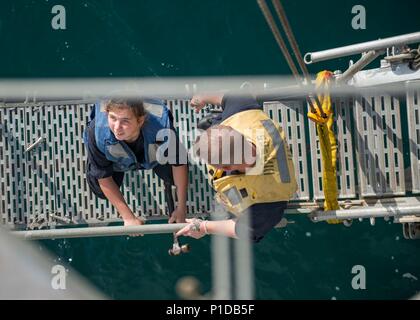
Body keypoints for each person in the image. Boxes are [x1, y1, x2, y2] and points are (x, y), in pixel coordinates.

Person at [176, 91, 297, 243]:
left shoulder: (264, 203)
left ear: (225, 168)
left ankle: (212, 122)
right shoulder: (245, 118)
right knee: (206, 126)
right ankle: (213, 122)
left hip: (253, 198)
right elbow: (231, 96)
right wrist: (203, 97)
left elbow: (247, 232)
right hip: (252, 153)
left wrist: (204, 227)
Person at [83, 98, 188, 229]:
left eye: (125, 121)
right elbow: (103, 177)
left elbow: (178, 163)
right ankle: (98, 159)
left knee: (174, 177)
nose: (117, 127)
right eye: (112, 118)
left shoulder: (163, 129)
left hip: (153, 157)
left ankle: (165, 181)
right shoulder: (96, 132)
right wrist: (128, 217)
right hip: (117, 160)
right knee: (100, 190)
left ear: (140, 120)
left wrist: (181, 208)